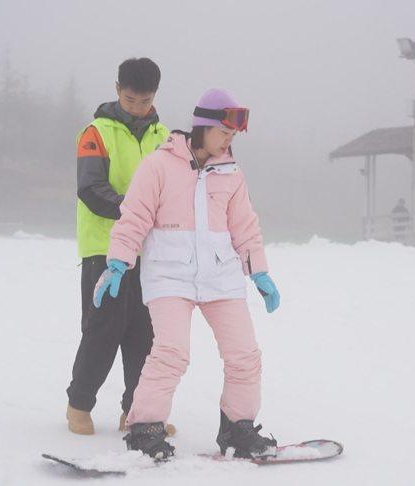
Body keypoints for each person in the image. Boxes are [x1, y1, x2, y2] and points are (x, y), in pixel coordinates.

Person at [92, 88, 281, 460]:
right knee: (171, 352)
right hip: (169, 278)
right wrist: (118, 262)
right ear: (204, 126)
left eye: (233, 135)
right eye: (224, 132)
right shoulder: (158, 166)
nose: (229, 141)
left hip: (221, 278)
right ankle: (145, 428)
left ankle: (238, 429)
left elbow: (245, 228)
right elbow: (134, 217)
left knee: (245, 355)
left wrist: (259, 272)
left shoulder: (231, 173)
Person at [66, 57, 175, 436]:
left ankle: (137, 411)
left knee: (146, 335)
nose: (137, 108)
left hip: (152, 254)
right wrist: (138, 211)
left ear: (155, 96)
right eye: (130, 100)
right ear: (117, 90)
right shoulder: (96, 133)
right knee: (102, 330)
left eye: (145, 101)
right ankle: (78, 404)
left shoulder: (167, 140)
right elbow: (91, 189)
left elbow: (176, 192)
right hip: (104, 250)